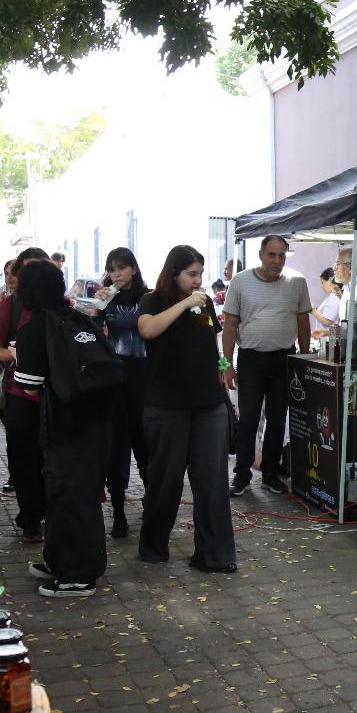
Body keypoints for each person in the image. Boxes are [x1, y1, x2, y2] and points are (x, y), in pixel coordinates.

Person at [13, 259, 112, 598]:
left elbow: (30, 386)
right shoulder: (79, 318)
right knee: (70, 494)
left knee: (70, 497)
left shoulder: (33, 329)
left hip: (63, 424)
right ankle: (59, 559)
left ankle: (78, 575)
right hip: (97, 420)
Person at [138, 245, 237, 572]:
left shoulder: (205, 302)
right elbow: (147, 330)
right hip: (167, 405)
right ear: (174, 273)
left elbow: (212, 340)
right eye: (191, 274)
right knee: (166, 479)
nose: (198, 280)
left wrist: (224, 366)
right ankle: (153, 547)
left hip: (208, 403)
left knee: (212, 480)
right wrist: (183, 304)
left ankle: (215, 555)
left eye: (200, 274)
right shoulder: (153, 300)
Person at [221, 235, 311, 497]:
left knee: (276, 420)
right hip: (250, 359)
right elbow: (229, 326)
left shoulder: (297, 282)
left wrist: (303, 360)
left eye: (282, 255)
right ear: (260, 254)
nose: (277, 260)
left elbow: (303, 323)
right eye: (272, 255)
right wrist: (226, 365)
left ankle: (270, 474)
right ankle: (242, 475)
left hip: (283, 359)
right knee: (248, 420)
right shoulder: (240, 281)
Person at [0, 247, 52, 540]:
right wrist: (17, 354)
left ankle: (53, 512)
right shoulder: (9, 305)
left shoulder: (60, 306)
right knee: (23, 460)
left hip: (56, 396)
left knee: (50, 459)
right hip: (19, 395)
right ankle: (30, 518)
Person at [100, 247, 151, 539]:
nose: (116, 274)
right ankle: (118, 512)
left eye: (121, 268)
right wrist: (97, 302)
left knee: (146, 447)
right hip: (116, 381)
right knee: (116, 451)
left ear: (133, 268)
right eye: (112, 269)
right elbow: (87, 324)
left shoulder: (150, 297)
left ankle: (151, 501)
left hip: (145, 380)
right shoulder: (106, 297)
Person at [310, 267, 343, 337]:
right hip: (329, 336)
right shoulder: (333, 296)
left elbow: (327, 321)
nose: (321, 286)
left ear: (330, 280)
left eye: (322, 282)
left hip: (331, 339)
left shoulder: (335, 297)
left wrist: (313, 310)